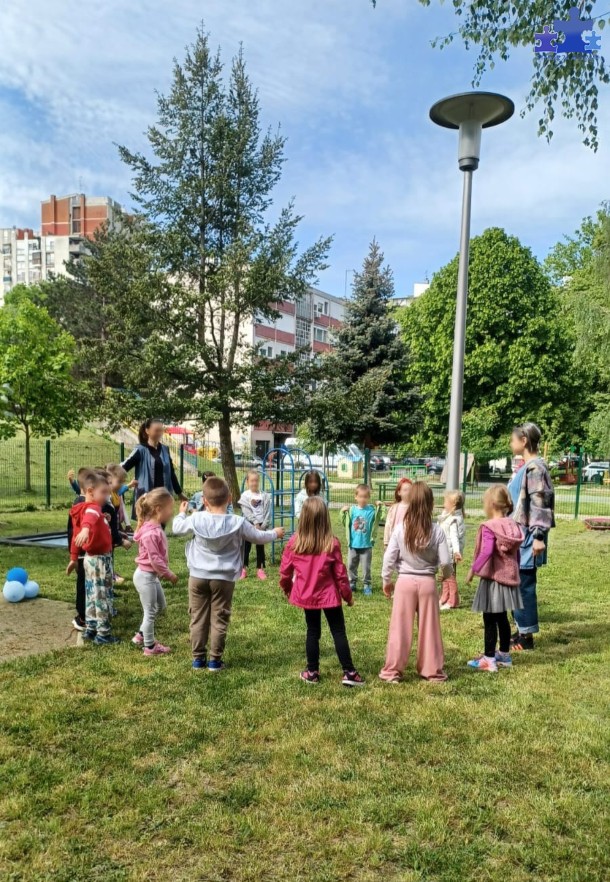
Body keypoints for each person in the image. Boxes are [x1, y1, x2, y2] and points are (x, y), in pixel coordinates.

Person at [172, 476, 284, 671]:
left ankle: (198, 659)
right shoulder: (238, 522)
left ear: (204, 501)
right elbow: (258, 537)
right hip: (224, 579)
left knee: (197, 617)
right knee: (219, 617)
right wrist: (275, 533)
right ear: (230, 498)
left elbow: (177, 528)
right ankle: (215, 661)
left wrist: (181, 513)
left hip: (197, 576)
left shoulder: (197, 518)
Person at [279, 497, 364, 686]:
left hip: (308, 596)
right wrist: (347, 596)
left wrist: (287, 588)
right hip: (329, 596)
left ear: (304, 517)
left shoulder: (295, 542)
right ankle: (349, 672)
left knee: (312, 631)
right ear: (325, 518)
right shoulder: (331, 543)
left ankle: (312, 672)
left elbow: (285, 572)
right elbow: (341, 575)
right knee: (338, 631)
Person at [379, 482, 452, 683]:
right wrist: (446, 575)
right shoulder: (437, 531)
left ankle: (392, 671)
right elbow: (446, 562)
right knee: (430, 628)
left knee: (400, 628)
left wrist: (386, 580)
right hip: (428, 583)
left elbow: (389, 558)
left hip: (404, 583)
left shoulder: (401, 529)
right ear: (431, 503)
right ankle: (432, 671)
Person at [466, 486, 524, 672]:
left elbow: (486, 551)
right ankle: (504, 655)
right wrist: (516, 571)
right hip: (508, 578)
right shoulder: (513, 525)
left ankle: (489, 659)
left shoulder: (489, 527)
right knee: (502, 617)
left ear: (490, 504)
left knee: (489, 618)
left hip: (493, 579)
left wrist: (473, 569)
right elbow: (517, 554)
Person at [508, 422, 555, 650]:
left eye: (513, 439)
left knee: (524, 585)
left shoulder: (535, 468)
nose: (510, 443)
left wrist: (538, 537)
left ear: (524, 440)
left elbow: (539, 503)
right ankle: (521, 630)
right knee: (517, 583)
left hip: (528, 539)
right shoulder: (526, 467)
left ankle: (526, 637)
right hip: (518, 538)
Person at [66, 471, 119, 645]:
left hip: (88, 559)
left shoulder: (80, 510)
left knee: (91, 595)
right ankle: (103, 634)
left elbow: (76, 536)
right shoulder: (93, 508)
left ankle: (91, 628)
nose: (107, 496)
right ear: (90, 491)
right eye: (103, 492)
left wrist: (74, 558)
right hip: (100, 560)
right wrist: (87, 529)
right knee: (102, 595)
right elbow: (91, 517)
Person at [131, 488, 178, 656]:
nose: (172, 512)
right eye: (170, 509)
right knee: (150, 611)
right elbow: (155, 560)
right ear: (158, 509)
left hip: (150, 576)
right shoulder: (151, 533)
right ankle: (150, 647)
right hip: (145, 577)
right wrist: (169, 574)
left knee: (160, 606)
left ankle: (141, 635)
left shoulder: (152, 527)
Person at [121, 418, 187, 507]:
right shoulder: (140, 450)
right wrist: (114, 483)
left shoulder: (165, 449)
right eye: (156, 430)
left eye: (161, 430)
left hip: (163, 497)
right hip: (146, 498)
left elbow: (171, 473)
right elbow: (122, 468)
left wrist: (179, 492)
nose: (159, 433)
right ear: (147, 431)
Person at [341, 484, 384, 595]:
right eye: (360, 496)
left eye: (365, 497)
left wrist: (381, 506)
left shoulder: (371, 510)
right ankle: (352, 583)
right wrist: (342, 512)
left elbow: (381, 516)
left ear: (368, 497)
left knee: (366, 567)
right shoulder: (352, 510)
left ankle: (367, 584)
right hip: (353, 545)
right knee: (351, 565)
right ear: (355, 497)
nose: (362, 499)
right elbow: (344, 522)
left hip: (366, 545)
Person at [66, 467, 91, 631]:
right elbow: (74, 532)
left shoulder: (87, 504)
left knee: (87, 583)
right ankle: (81, 617)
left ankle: (88, 614)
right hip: (82, 553)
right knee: (83, 583)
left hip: (86, 553)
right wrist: (74, 556)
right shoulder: (80, 505)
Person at [238, 470, 272, 581]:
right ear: (247, 482)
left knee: (260, 547)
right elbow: (246, 511)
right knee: (246, 547)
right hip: (249, 525)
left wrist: (264, 524)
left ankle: (260, 569)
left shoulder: (264, 495)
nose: (254, 483)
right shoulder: (245, 496)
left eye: (256, 480)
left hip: (261, 525)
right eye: (252, 481)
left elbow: (267, 511)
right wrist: (255, 522)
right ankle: (243, 568)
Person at [438, 489, 466, 610]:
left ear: (453, 504)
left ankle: (453, 601)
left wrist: (456, 552)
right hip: (444, 551)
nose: (443, 503)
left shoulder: (453, 519)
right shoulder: (448, 516)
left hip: (449, 553)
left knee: (450, 576)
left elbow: (454, 538)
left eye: (445, 501)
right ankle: (444, 597)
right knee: (445, 575)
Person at [383, 478, 413, 548]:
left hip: (408, 543)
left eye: (410, 490)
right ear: (399, 492)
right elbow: (388, 525)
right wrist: (386, 542)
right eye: (405, 490)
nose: (408, 492)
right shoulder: (393, 508)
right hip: (394, 542)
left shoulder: (414, 508)